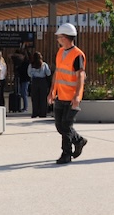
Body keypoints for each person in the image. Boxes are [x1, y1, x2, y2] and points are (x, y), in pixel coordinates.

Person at [48, 23, 87, 164]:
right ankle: (79, 140)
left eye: (59, 37)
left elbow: (80, 76)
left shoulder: (78, 55)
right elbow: (57, 73)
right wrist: (52, 91)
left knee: (65, 126)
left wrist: (77, 96)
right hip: (60, 96)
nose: (57, 39)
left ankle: (66, 154)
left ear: (64, 37)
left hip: (72, 98)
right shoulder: (60, 52)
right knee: (60, 126)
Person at [28, 51, 52, 118]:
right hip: (42, 81)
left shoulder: (31, 65)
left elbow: (29, 73)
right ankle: (43, 113)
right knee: (43, 98)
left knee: (35, 98)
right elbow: (48, 73)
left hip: (35, 81)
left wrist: (34, 74)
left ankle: (35, 113)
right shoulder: (44, 65)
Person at [12, 48, 30, 115]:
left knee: (24, 93)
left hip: (25, 79)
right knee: (22, 93)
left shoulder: (25, 63)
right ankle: (24, 107)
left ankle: (25, 107)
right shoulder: (23, 62)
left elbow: (21, 70)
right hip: (23, 79)